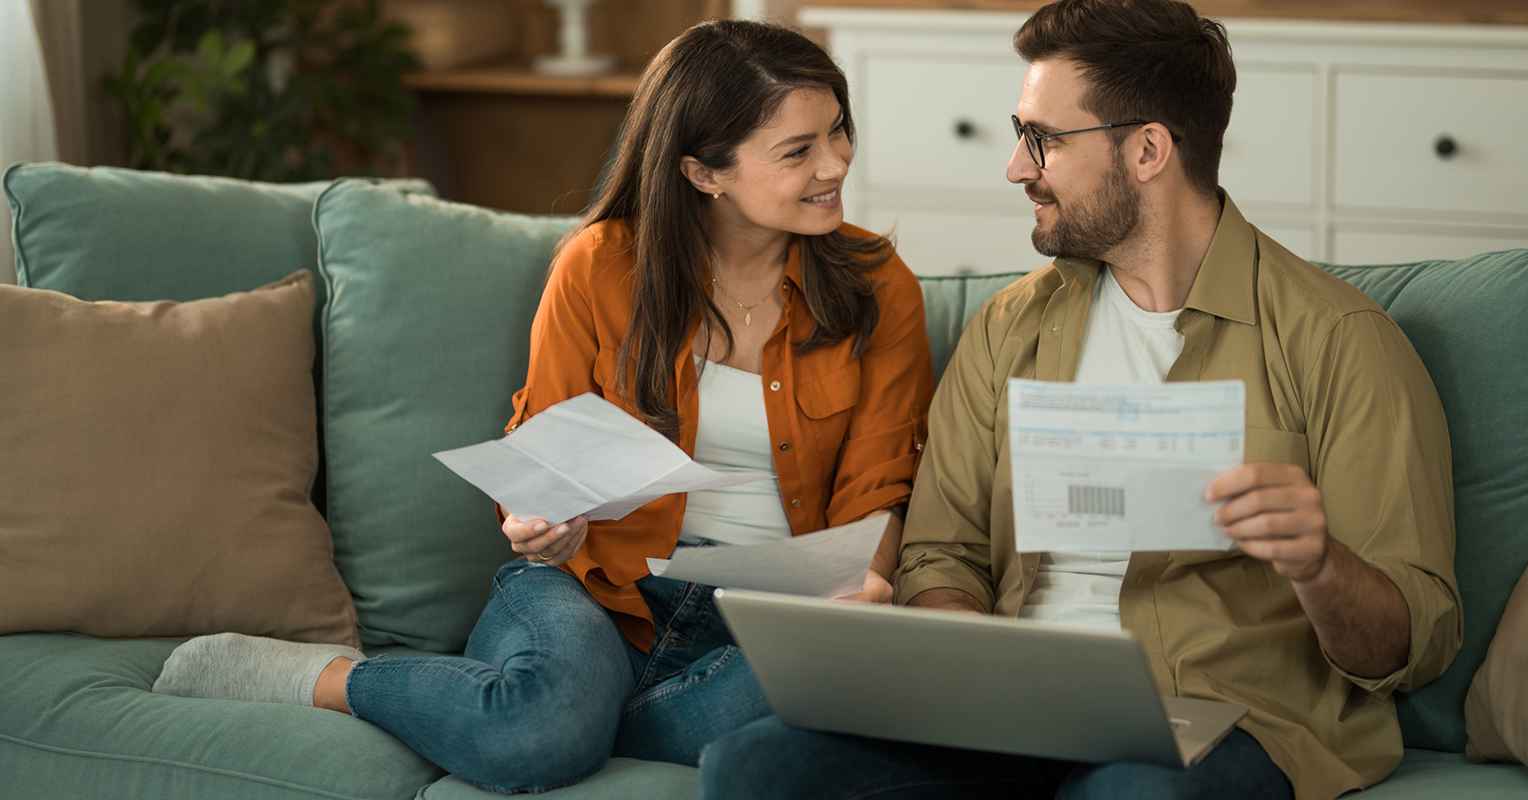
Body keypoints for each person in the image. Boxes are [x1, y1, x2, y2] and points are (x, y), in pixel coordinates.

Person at [699, 2, 1461, 799]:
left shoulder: (1338, 340)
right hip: (1010, 714)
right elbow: (941, 553)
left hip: (1222, 719)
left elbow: (1414, 642)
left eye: (1045, 140)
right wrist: (968, 656)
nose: (1017, 168)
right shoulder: (1010, 328)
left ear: (1148, 149)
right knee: (752, 769)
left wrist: (1317, 563)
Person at [150, 20, 934, 794]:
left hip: (762, 611)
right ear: (703, 173)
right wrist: (539, 521)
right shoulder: (599, 266)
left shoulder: (876, 284)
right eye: (798, 151)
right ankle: (338, 682)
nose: (835, 163)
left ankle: (545, 715)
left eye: (837, 131)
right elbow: (544, 452)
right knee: (543, 730)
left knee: (784, 705)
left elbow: (880, 487)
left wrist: (861, 590)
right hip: (591, 587)